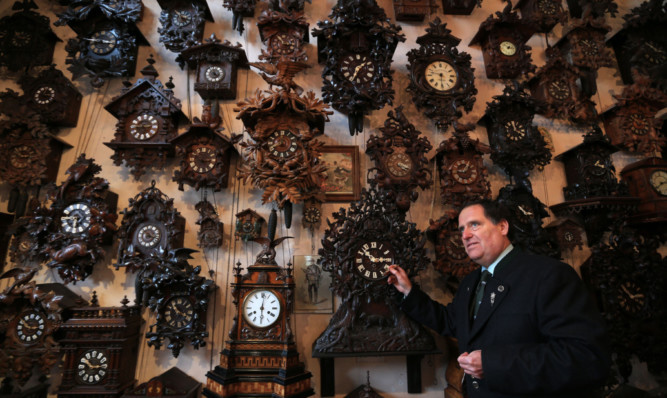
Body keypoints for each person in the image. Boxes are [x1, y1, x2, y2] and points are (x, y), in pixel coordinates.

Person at [387, 199, 610, 398]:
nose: (464, 235)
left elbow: (586, 358)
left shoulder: (549, 276)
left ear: (502, 226)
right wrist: (408, 292)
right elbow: (451, 322)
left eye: (474, 224)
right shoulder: (470, 282)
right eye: (462, 229)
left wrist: (493, 364)